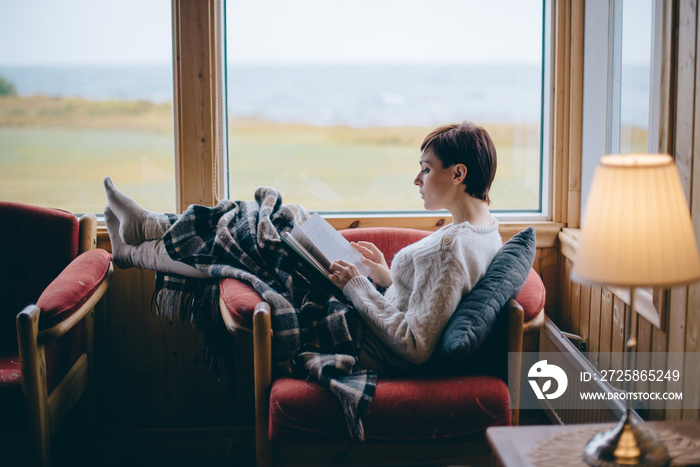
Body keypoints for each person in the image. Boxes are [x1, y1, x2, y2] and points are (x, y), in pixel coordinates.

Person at [103, 121, 503, 373]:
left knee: (256, 240)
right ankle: (141, 237)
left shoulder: (454, 247)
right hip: (366, 308)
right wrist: (382, 273)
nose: (417, 179)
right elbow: (420, 296)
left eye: (427, 169)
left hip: (358, 333)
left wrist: (357, 287)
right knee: (276, 221)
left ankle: (137, 244)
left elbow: (415, 344)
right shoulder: (483, 229)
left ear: (459, 174)